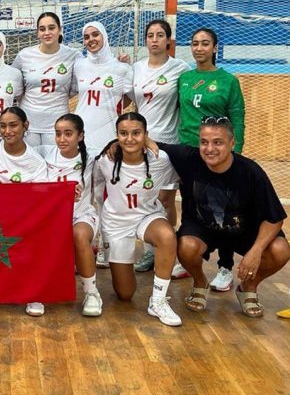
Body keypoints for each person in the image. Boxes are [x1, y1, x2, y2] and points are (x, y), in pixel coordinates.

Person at [145, 117, 288, 318]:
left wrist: (256, 251)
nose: (209, 148)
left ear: (232, 143)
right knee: (185, 246)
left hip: (243, 230)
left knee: (280, 250)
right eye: (204, 142)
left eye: (218, 142)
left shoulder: (250, 171)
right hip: (202, 228)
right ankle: (200, 282)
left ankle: (248, 287)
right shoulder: (188, 158)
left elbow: (274, 217)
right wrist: (114, 146)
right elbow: (144, 140)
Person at [93, 113, 181, 327]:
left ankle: (158, 301)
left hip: (147, 216)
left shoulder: (161, 160)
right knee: (125, 293)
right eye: (123, 134)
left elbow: (182, 174)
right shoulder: (106, 160)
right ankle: (125, 264)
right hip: (116, 225)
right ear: (116, 136)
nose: (129, 139)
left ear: (146, 135)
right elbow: (91, 187)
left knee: (167, 235)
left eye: (136, 133)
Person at [178, 27, 246, 292]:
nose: (199, 48)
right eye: (195, 43)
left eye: (205, 43)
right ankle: (188, 259)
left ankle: (225, 266)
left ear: (215, 48)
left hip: (217, 153)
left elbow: (237, 117)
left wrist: (234, 151)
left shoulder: (228, 81)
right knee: (189, 204)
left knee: (223, 210)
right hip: (188, 151)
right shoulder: (184, 78)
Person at [131, 19, 189, 276]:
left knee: (166, 199)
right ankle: (149, 252)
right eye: (150, 35)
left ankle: (170, 254)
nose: (154, 39)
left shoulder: (180, 68)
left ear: (168, 40)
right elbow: (133, 104)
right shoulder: (135, 69)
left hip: (169, 144)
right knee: (145, 198)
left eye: (160, 35)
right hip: (142, 142)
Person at [0, 106, 48, 316]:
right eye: (3, 126)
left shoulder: (36, 162)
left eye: (13, 125)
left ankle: (34, 292)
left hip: (21, 219)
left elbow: (41, 199)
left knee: (36, 235)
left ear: (25, 126)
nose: (7, 130)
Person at [38, 114, 102, 317]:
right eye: (58, 134)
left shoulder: (92, 157)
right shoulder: (45, 153)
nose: (62, 139)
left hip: (81, 214)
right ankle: (38, 292)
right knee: (37, 235)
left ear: (80, 136)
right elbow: (15, 145)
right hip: (53, 217)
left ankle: (92, 293)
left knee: (79, 235)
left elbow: (118, 150)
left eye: (68, 134)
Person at [12, 12, 81, 147]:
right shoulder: (24, 55)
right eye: (42, 29)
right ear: (37, 33)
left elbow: (75, 88)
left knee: (55, 165)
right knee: (31, 165)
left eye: (51, 28)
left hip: (57, 121)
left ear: (60, 30)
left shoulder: (73, 55)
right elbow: (13, 82)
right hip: (29, 122)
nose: (47, 32)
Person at [74, 21, 134, 150]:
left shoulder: (122, 68)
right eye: (86, 37)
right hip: (81, 129)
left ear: (104, 37)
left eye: (95, 34)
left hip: (108, 130)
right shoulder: (79, 65)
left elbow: (129, 99)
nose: (91, 39)